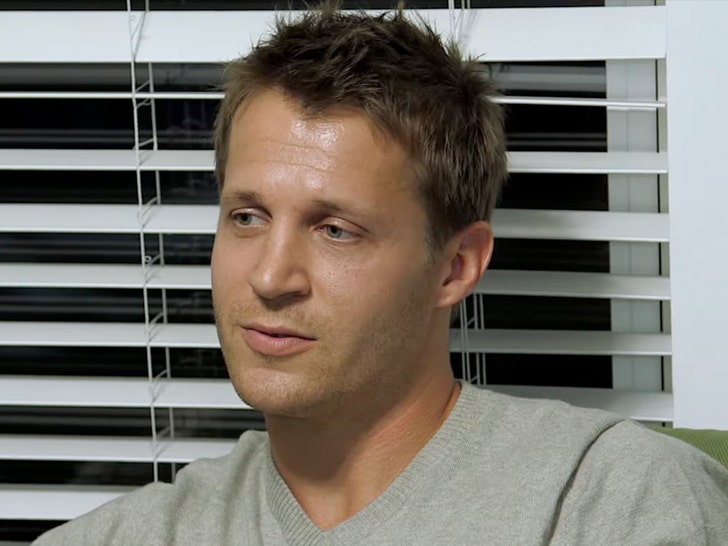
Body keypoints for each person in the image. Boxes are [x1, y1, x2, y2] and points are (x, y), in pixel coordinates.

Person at [35, 3, 728, 545]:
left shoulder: (606, 501)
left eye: (335, 230)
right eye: (247, 217)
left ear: (455, 267)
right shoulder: (126, 536)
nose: (271, 277)